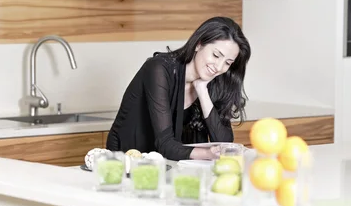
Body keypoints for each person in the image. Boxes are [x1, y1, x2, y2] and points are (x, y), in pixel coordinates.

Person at [106, 16, 251, 161]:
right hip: (129, 162)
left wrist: (201, 90)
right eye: (216, 55)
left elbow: (224, 141)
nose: (219, 67)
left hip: (172, 164)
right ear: (199, 44)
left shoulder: (213, 80)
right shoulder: (159, 69)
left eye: (228, 63)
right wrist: (207, 154)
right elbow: (164, 143)